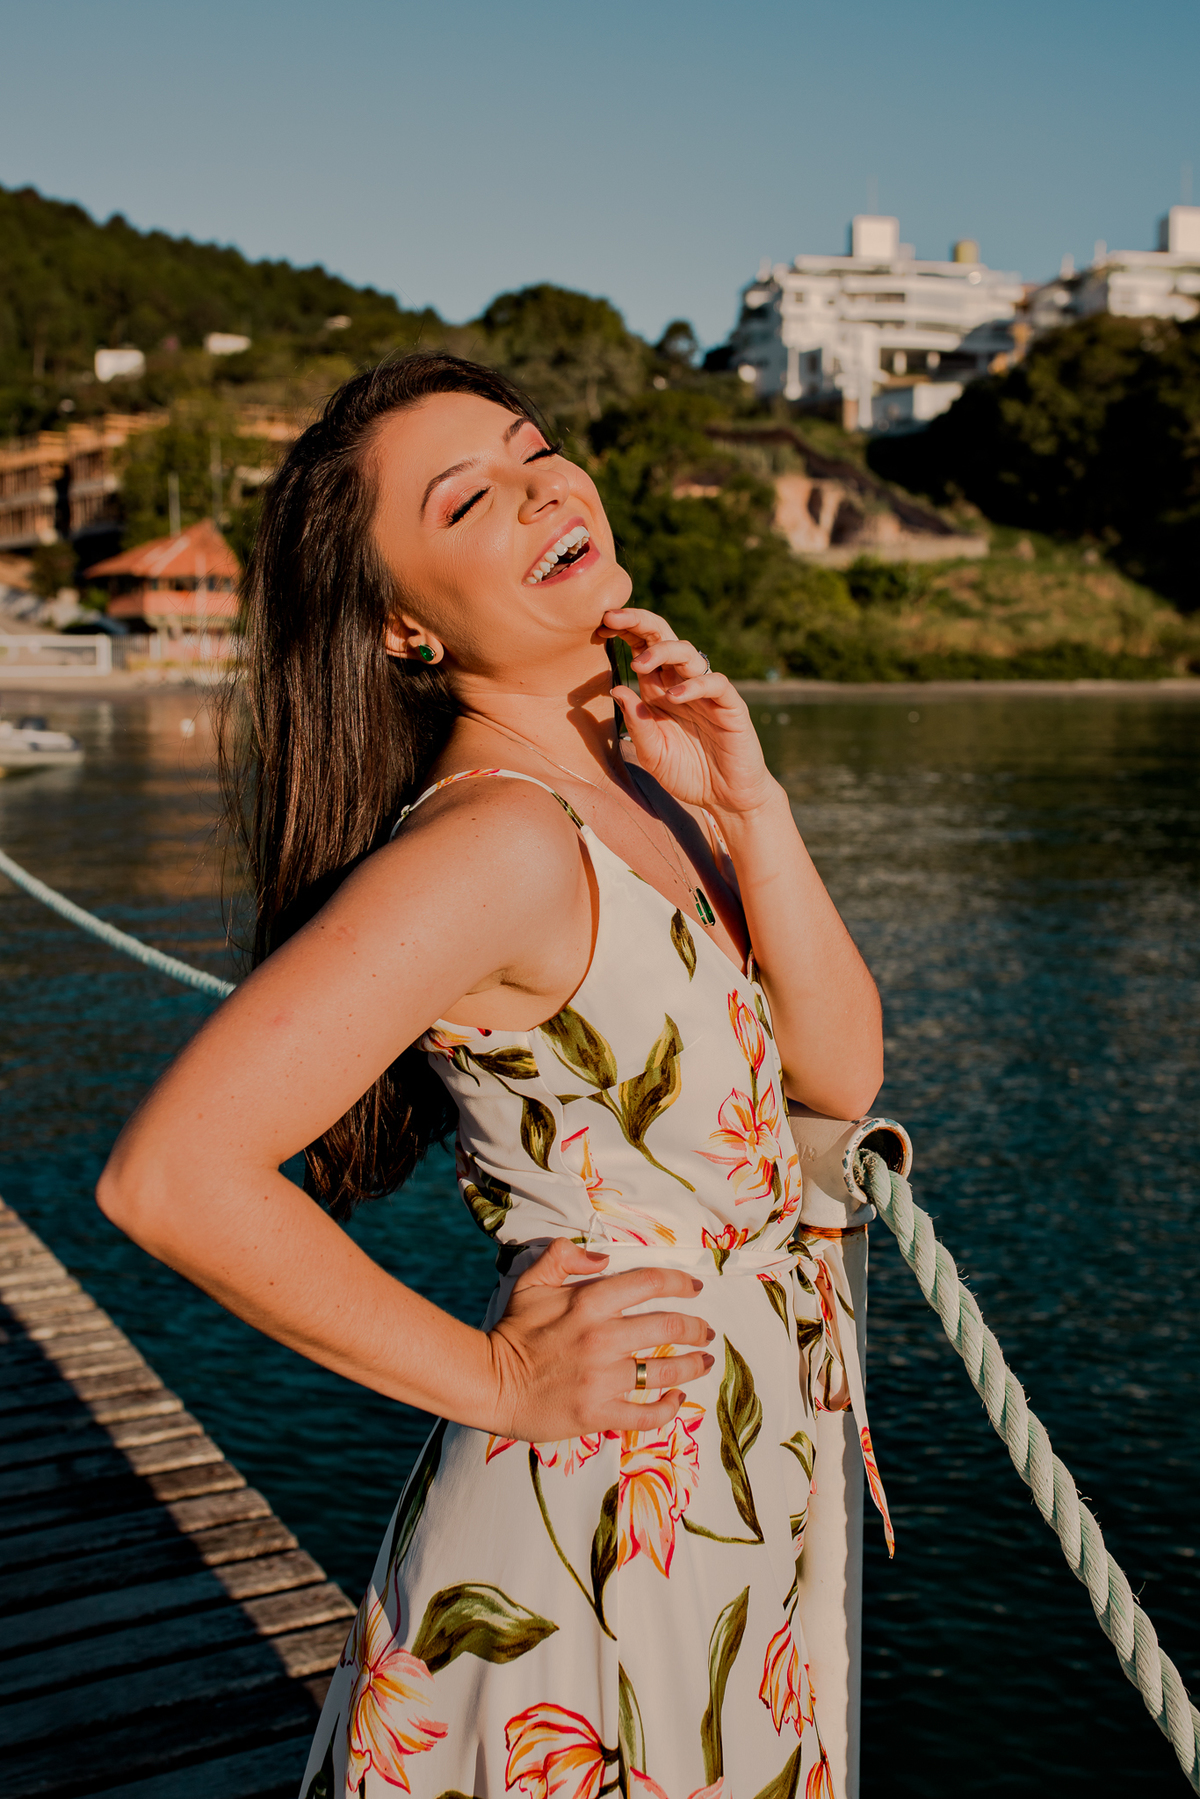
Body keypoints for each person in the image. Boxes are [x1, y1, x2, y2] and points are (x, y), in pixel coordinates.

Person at [97, 352, 887, 1799]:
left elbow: (838, 1075)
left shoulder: (646, 780)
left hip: (731, 1483)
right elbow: (170, 1178)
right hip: (601, 1522)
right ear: (402, 626)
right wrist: (504, 1380)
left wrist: (749, 803)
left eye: (535, 451)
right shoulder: (499, 841)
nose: (539, 492)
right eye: (468, 501)